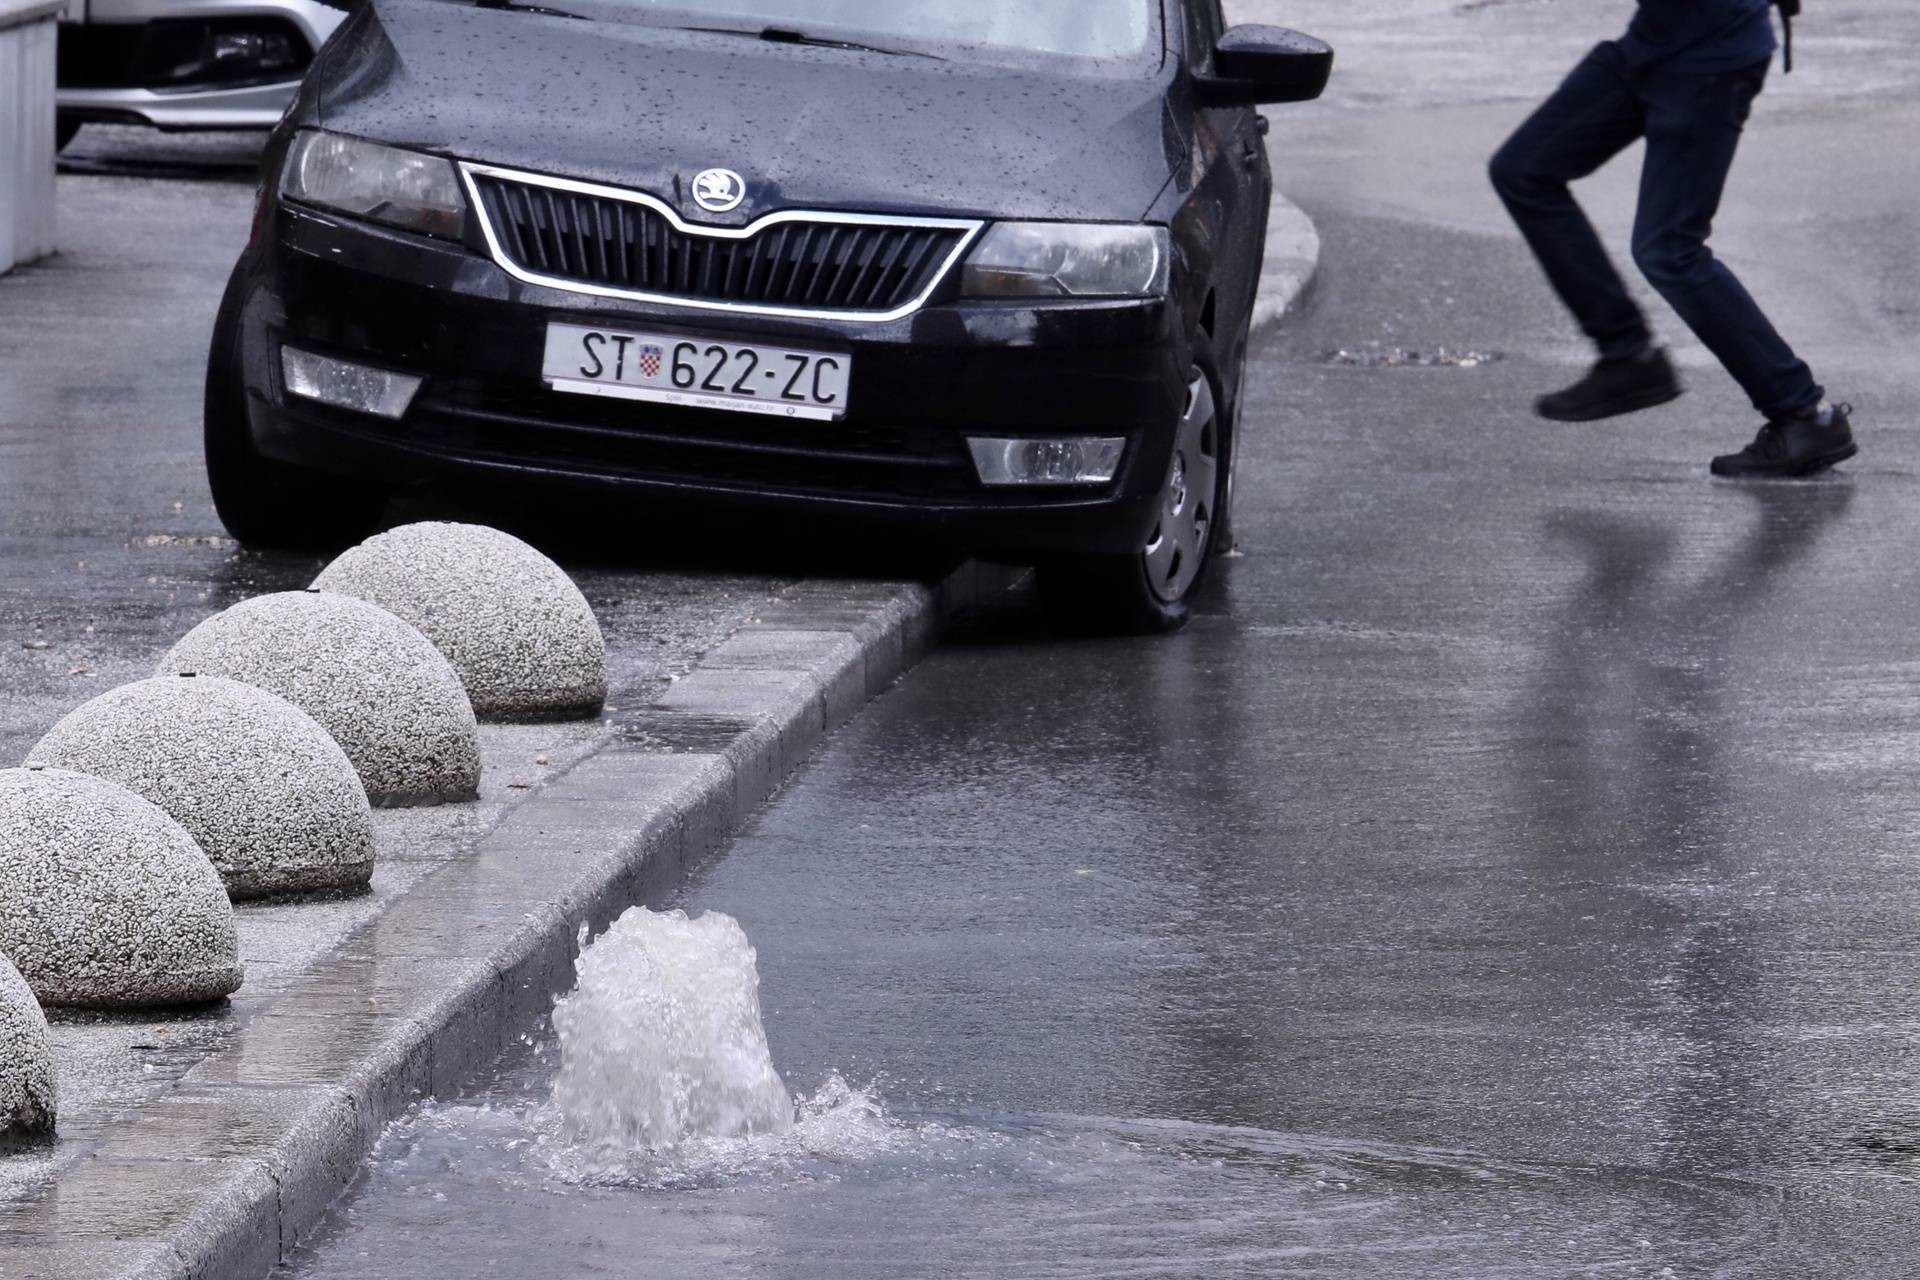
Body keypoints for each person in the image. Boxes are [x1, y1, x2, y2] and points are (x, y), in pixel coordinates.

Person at [1489, 0, 1854, 479]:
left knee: (1669, 249)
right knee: (1524, 169)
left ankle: (1806, 414)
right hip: (1649, 47)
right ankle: (1629, 355)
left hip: (1710, 62)